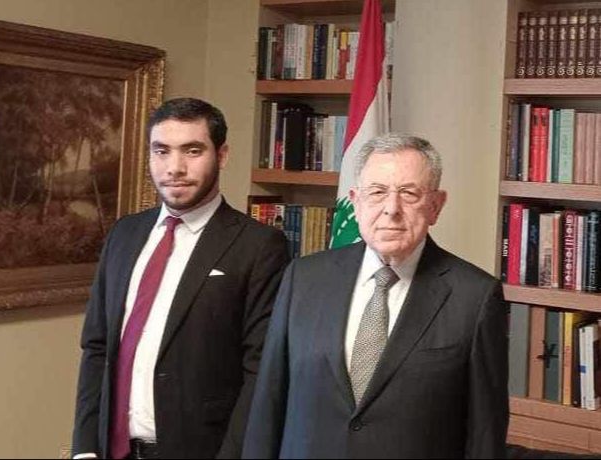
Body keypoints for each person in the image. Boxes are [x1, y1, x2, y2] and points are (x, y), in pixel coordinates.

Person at [243, 133, 509, 459]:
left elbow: (485, 435)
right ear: (355, 202)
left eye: (409, 193)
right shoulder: (303, 278)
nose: (391, 209)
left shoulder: (475, 297)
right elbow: (268, 404)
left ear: (436, 205)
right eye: (377, 192)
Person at [72, 98, 290, 459]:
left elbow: (260, 370)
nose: (174, 168)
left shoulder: (259, 246)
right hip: (113, 450)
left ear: (221, 155)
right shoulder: (124, 234)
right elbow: (96, 347)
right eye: (162, 151)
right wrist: (84, 448)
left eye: (192, 150)